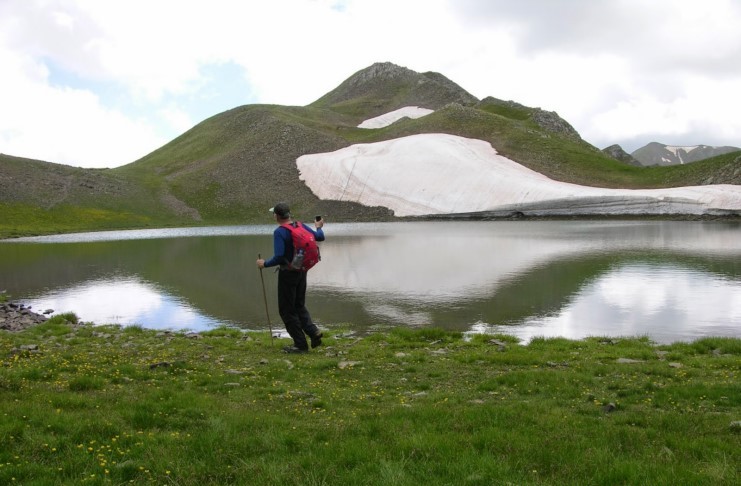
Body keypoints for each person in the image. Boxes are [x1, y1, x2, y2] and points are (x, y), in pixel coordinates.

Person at [256, 202, 325, 353]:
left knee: (287, 310)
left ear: (277, 216)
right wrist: (318, 226)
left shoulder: (280, 232)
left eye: (273, 213)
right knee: (299, 305)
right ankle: (313, 332)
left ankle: (300, 345)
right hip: (302, 270)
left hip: (288, 273)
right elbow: (320, 237)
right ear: (288, 213)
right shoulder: (299, 225)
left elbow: (280, 257)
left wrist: (264, 264)